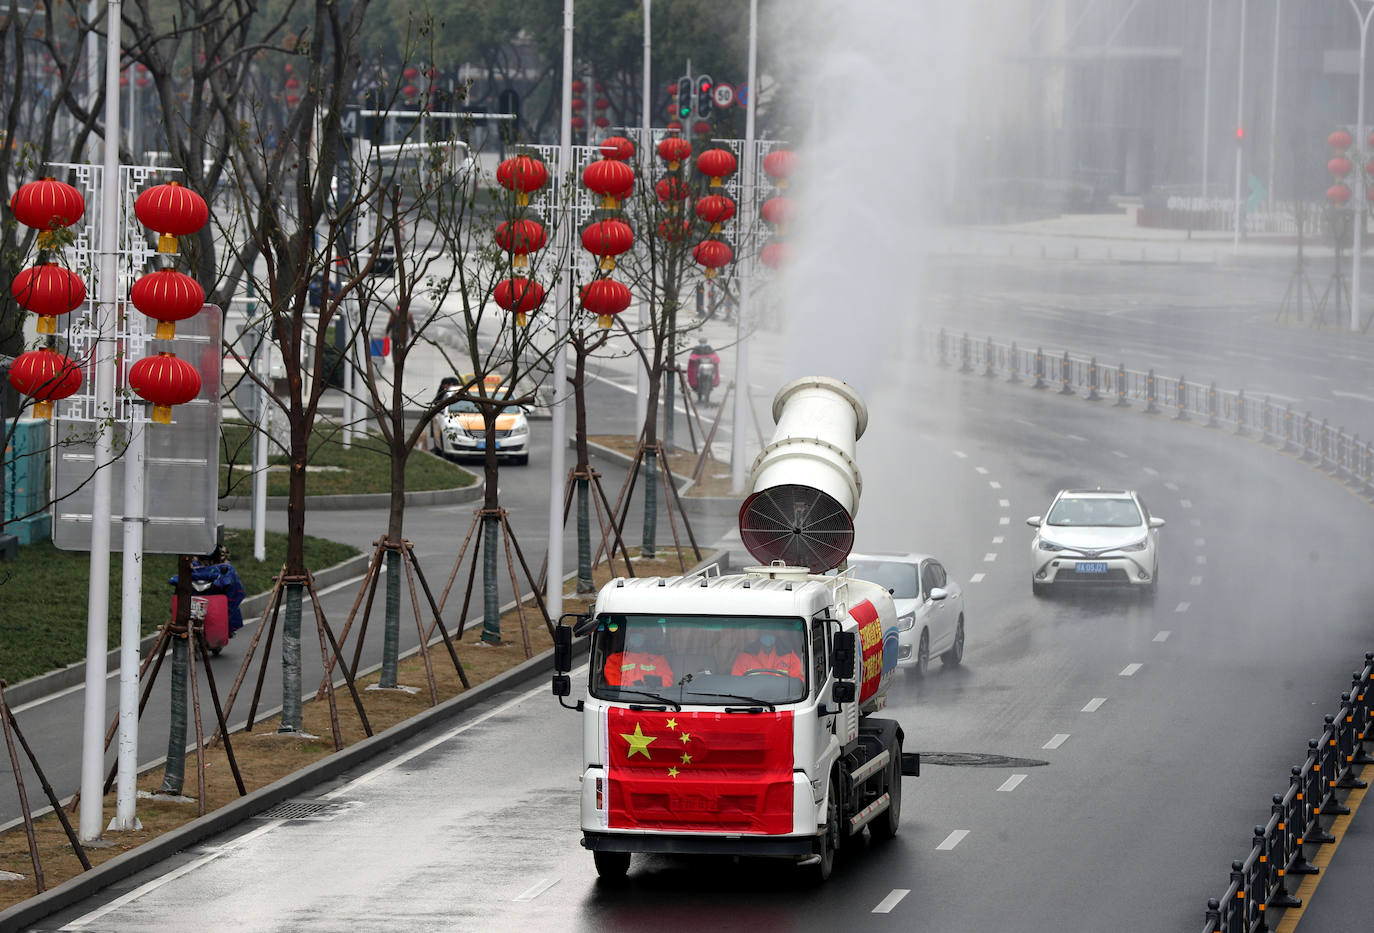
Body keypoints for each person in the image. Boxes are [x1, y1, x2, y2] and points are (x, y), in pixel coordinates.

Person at [602, 630, 675, 688]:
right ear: (627, 635)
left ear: (646, 636)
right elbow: (615, 683)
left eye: (640, 631)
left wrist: (636, 686)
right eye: (633, 631)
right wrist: (645, 685)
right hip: (623, 699)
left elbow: (667, 681)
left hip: (654, 700)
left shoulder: (658, 659)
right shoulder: (615, 659)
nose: (637, 634)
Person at [731, 631, 804, 679]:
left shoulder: (789, 656)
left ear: (776, 635)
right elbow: (737, 683)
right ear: (759, 634)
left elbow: (797, 684)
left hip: (783, 700)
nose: (767, 635)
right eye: (764, 632)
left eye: (771, 632)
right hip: (751, 701)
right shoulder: (744, 657)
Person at [687, 338, 721, 403]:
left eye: (703, 342)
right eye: (702, 342)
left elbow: (715, 356)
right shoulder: (703, 348)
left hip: (707, 367)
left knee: (712, 373)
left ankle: (710, 385)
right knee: (695, 373)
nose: (703, 343)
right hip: (700, 367)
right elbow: (692, 357)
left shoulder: (708, 348)